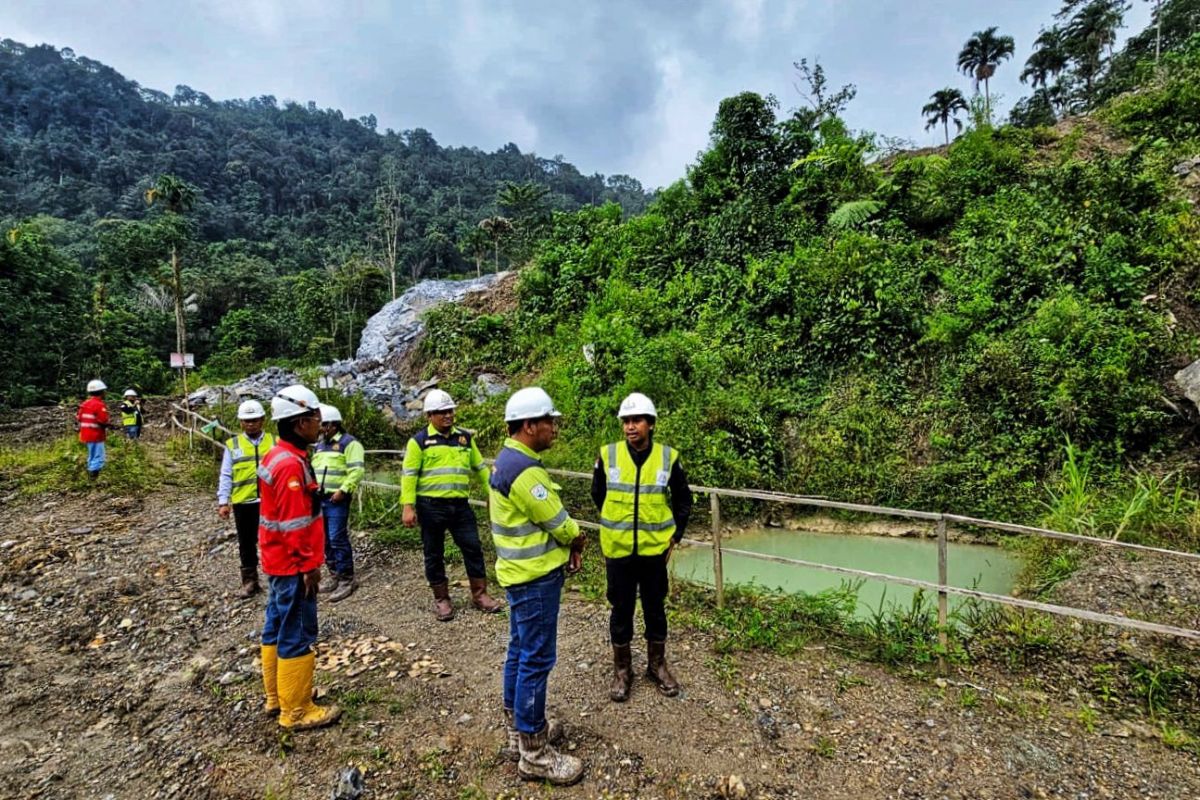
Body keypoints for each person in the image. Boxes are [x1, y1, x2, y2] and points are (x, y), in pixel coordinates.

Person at [490, 387, 585, 786]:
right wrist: (578, 541)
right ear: (530, 426)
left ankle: (520, 730)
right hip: (535, 579)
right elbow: (561, 523)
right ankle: (535, 753)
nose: (554, 429)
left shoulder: (506, 461)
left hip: (517, 575)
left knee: (520, 649)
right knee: (536, 659)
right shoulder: (526, 473)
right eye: (550, 421)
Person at [591, 392, 693, 702]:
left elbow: (683, 499)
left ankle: (657, 665)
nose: (630, 427)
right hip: (619, 551)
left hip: (653, 552)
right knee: (620, 609)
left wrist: (674, 535)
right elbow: (599, 495)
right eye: (626, 421)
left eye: (636, 421)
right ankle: (622, 670)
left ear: (650, 424)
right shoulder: (607, 455)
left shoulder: (668, 457)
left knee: (654, 608)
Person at [257, 384, 341, 731]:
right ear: (298, 423)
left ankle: (278, 696)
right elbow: (294, 524)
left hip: (278, 561)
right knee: (298, 631)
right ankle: (296, 710)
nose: (319, 424)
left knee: (276, 626)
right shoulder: (291, 466)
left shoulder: (276, 456)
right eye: (314, 418)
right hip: (293, 564)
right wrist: (310, 567)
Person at [401, 389, 502, 620]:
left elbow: (480, 468)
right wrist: (408, 506)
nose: (447, 415)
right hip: (430, 506)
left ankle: (480, 594)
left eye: (450, 411)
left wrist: (495, 494)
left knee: (473, 547)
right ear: (429, 416)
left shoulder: (465, 439)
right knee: (434, 553)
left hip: (460, 506)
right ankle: (442, 599)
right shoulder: (419, 442)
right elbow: (409, 474)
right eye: (441, 412)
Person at [217, 400, 275, 598]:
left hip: (271, 501)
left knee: (274, 539)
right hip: (244, 502)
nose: (250, 424)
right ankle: (250, 581)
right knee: (246, 542)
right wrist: (223, 501)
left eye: (254, 420)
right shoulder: (233, 445)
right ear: (241, 422)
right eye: (246, 421)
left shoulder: (274, 442)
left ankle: (278, 577)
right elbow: (226, 474)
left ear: (262, 420)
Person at [311, 403, 365, 603]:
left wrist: (344, 490)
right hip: (320, 497)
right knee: (324, 538)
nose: (319, 428)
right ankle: (334, 573)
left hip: (337, 499)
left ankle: (346, 577)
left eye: (322, 424)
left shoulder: (349, 444)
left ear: (333, 425)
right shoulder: (319, 445)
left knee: (337, 537)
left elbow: (357, 471)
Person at [76, 379, 112, 480]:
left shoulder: (85, 404)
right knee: (98, 456)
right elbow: (103, 420)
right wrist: (109, 425)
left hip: (86, 434)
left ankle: (90, 473)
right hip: (96, 435)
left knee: (91, 455)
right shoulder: (99, 405)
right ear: (101, 392)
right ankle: (93, 478)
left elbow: (79, 418)